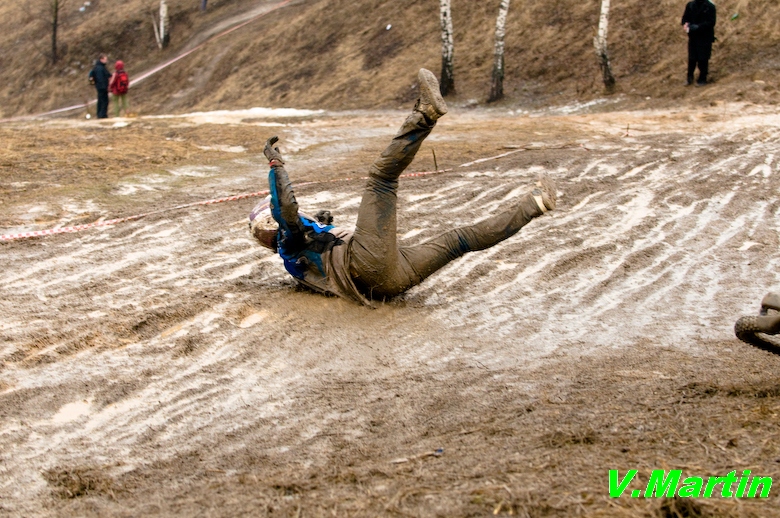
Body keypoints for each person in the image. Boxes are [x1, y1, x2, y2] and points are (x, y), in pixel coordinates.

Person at [248, 68, 558, 305]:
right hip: (365, 263)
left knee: (459, 240)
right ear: (273, 224)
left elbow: (317, 256)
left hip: (388, 284)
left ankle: (536, 204)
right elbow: (286, 208)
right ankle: (425, 115)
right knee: (381, 179)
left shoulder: (294, 258)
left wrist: (322, 223)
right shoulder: (289, 240)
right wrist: (276, 165)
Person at [681, 0, 716, 86]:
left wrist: (699, 27)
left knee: (703, 58)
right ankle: (689, 78)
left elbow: (711, 22)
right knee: (692, 58)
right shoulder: (690, 5)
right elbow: (685, 18)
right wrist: (686, 24)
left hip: (705, 37)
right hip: (693, 36)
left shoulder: (709, 7)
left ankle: (702, 79)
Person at [88, 54, 111, 118]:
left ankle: (99, 114)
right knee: (104, 101)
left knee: (100, 101)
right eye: (105, 59)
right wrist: (105, 86)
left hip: (99, 87)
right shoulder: (100, 68)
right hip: (102, 87)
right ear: (101, 59)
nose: (106, 61)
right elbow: (101, 78)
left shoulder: (97, 67)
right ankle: (102, 115)